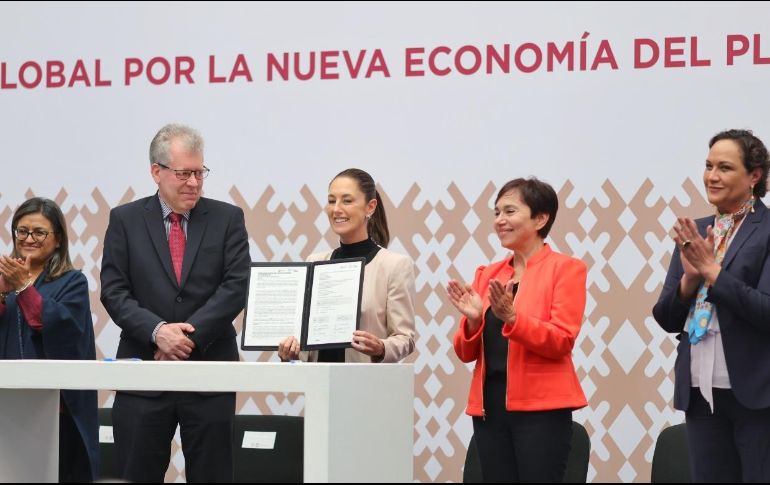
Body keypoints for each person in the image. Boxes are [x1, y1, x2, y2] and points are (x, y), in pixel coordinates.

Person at [100, 124, 250, 482]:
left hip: (209, 371)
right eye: (184, 174)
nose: (194, 183)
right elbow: (114, 291)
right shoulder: (125, 220)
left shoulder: (228, 218)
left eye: (200, 173)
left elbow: (235, 287)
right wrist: (157, 332)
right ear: (157, 171)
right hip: (144, 373)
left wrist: (183, 339)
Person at [447, 177, 587, 482]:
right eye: (496, 213)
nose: (499, 221)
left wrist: (513, 319)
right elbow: (464, 352)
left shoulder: (565, 269)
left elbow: (561, 340)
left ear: (540, 218)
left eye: (509, 212)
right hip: (490, 409)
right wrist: (472, 321)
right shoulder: (489, 274)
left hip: (542, 410)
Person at [652, 129, 770, 482]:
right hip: (701, 392)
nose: (712, 176)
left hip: (757, 394)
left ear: (754, 176)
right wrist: (689, 281)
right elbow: (667, 317)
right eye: (708, 166)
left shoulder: (766, 230)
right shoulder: (698, 230)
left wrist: (712, 272)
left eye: (724, 167)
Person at [0, 197, 98, 482]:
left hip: (56, 411)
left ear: (57, 240)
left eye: (39, 232)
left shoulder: (72, 282)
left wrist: (24, 287)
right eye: (22, 231)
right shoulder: (4, 278)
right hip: (7, 404)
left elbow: (58, 328)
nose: (29, 238)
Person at [278, 168, 416, 363]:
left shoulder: (394, 265)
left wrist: (381, 348)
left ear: (370, 207)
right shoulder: (314, 262)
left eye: (347, 200)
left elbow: (405, 339)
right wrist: (290, 351)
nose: (336, 209)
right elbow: (306, 341)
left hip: (365, 387)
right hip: (318, 386)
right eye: (332, 201)